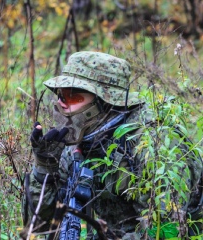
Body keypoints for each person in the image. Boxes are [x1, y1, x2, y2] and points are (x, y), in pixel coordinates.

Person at [21, 51, 202, 239]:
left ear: (104, 101)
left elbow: (166, 232)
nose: (61, 103)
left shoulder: (154, 144)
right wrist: (44, 169)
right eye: (60, 94)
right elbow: (38, 228)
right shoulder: (79, 144)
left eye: (72, 96)